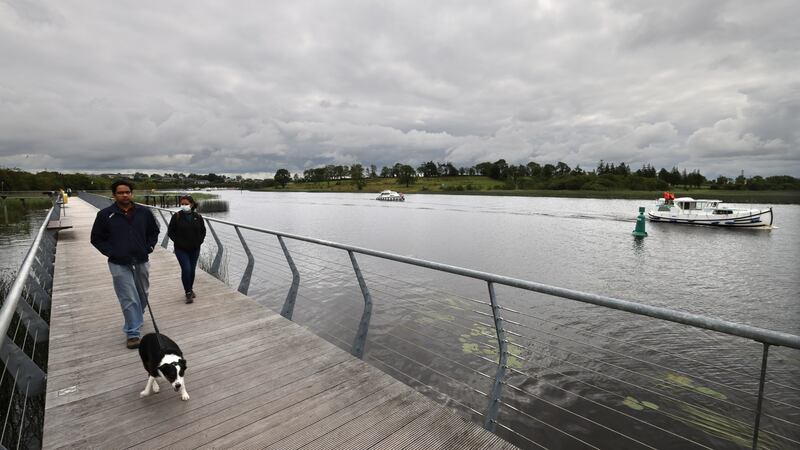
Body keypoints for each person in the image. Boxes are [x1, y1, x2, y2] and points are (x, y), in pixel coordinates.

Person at [90, 180, 160, 349]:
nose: (125, 195)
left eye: (127, 192)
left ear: (132, 193)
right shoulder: (105, 215)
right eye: (120, 193)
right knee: (128, 297)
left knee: (143, 293)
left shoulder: (144, 212)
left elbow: (154, 231)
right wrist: (112, 252)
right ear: (114, 195)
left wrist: (149, 246)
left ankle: (137, 316)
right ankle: (133, 332)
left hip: (141, 259)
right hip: (118, 263)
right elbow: (96, 239)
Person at [167, 195, 206, 303]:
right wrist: (178, 242)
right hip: (181, 249)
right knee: (186, 269)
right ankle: (188, 292)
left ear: (191, 204)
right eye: (182, 204)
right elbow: (171, 232)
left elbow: (203, 231)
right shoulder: (177, 216)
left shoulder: (198, 217)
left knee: (192, 270)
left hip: (195, 248)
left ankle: (190, 288)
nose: (184, 206)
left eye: (186, 204)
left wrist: (199, 241)